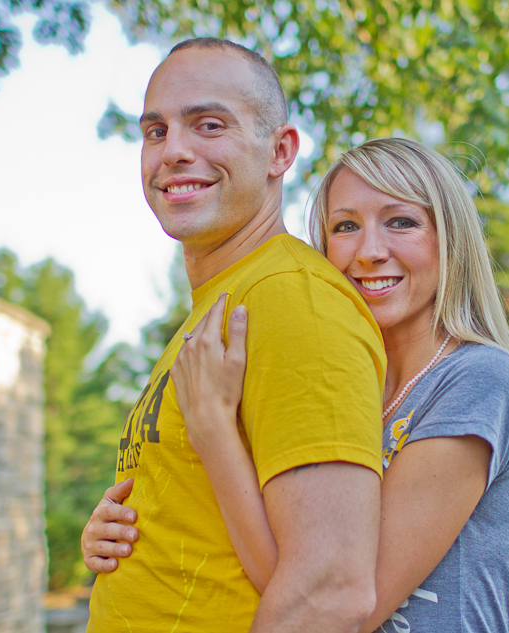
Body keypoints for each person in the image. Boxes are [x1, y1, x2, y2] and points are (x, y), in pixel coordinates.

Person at [81, 38, 387, 633]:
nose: (173, 152)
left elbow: (330, 591)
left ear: (279, 151)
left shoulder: (295, 302)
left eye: (208, 124)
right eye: (155, 131)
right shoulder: (224, 304)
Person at [171, 138, 509, 632]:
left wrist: (214, 432)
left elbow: (339, 601)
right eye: (345, 226)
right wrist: (135, 527)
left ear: (449, 237)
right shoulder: (345, 387)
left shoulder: (479, 379)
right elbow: (276, 546)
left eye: (401, 221)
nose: (368, 251)